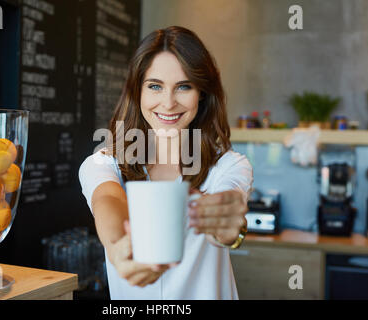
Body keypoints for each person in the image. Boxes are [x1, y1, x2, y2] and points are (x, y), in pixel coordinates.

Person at [79, 26, 253, 300]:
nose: (168, 103)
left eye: (184, 86)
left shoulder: (230, 165)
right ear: (137, 92)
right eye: (155, 86)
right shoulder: (103, 163)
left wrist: (228, 227)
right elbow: (107, 200)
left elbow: (228, 206)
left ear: (202, 93)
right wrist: (117, 248)